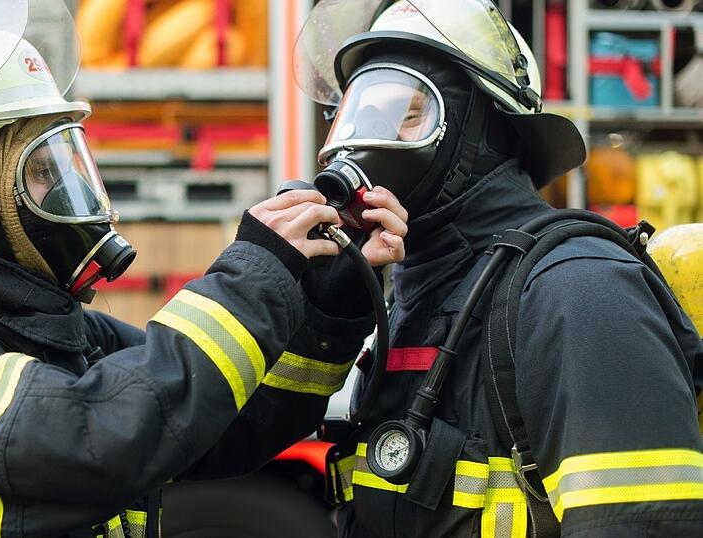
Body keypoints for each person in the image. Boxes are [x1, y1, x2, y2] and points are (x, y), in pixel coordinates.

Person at [0, 1, 410, 537]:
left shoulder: (57, 333)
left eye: (68, 163)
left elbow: (220, 421)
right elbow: (111, 435)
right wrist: (254, 271)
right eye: (40, 173)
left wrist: (326, 305)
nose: (69, 194)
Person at [293, 0, 703, 536]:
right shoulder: (411, 295)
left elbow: (641, 523)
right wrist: (319, 310)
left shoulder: (579, 289)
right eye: (358, 115)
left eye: (405, 114)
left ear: (478, 133)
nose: (366, 141)